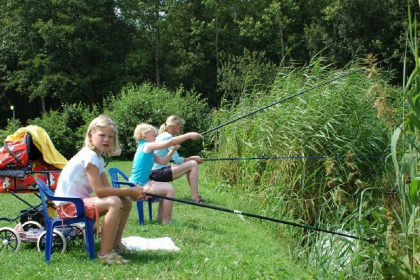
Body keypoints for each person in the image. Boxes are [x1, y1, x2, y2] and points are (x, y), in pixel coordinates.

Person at [54, 115, 146, 265]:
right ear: (90, 135)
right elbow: (100, 191)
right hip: (68, 207)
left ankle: (116, 245)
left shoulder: (98, 158)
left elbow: (107, 189)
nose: (107, 140)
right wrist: (130, 190)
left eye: (111, 136)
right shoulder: (89, 156)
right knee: (114, 203)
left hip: (78, 203)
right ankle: (105, 254)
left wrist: (131, 193)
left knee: (125, 201)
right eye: (102, 135)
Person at [129, 122, 202, 224]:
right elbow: (170, 141)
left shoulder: (146, 148)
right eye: (153, 134)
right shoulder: (147, 146)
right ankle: (167, 220)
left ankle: (160, 218)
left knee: (166, 188)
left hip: (140, 183)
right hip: (138, 185)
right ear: (144, 135)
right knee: (169, 189)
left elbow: (163, 161)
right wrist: (189, 135)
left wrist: (172, 150)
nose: (155, 137)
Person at [150, 115, 204, 203]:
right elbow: (177, 160)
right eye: (180, 126)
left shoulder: (162, 135)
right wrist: (192, 158)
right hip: (158, 173)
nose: (181, 128)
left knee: (190, 164)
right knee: (193, 164)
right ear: (174, 125)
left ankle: (195, 195)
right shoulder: (168, 137)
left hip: (154, 172)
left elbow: (173, 159)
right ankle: (195, 198)